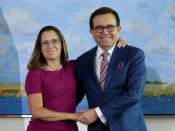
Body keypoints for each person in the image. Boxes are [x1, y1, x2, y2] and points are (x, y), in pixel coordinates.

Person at [25, 25, 127, 131]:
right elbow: (37, 111)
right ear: (40, 48)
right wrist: (73, 116)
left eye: (55, 41)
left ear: (62, 45)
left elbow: (97, 54)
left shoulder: (74, 66)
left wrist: (112, 42)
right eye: (45, 42)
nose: (50, 45)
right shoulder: (35, 74)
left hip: (70, 128)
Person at [76, 7, 147, 131]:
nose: (105, 32)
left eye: (110, 27)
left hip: (128, 127)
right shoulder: (82, 61)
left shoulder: (133, 55)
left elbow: (134, 94)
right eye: (99, 28)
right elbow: (74, 95)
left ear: (118, 29)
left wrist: (97, 113)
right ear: (91, 32)